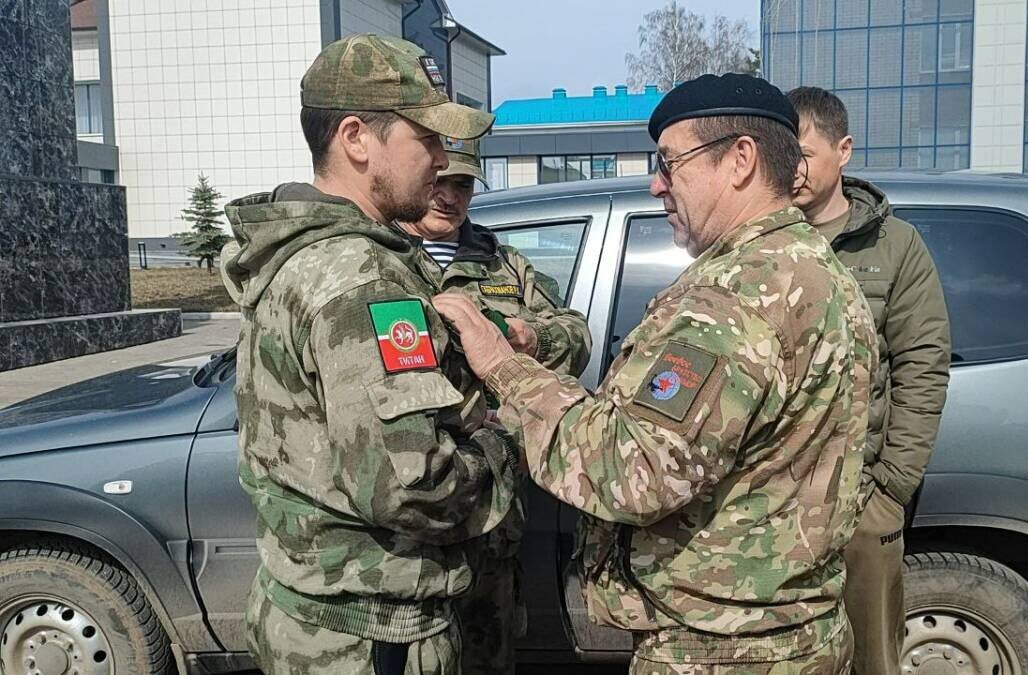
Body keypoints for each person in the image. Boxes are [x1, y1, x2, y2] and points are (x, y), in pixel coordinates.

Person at [433, 73, 878, 674]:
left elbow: (630, 471)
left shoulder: (736, 297)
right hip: (799, 631)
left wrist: (504, 368)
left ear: (740, 160)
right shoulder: (820, 272)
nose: (656, 183)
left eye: (670, 163)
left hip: (721, 649)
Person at [219, 34, 517, 675]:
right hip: (373, 635)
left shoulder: (295, 252)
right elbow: (412, 486)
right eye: (428, 138)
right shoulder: (361, 280)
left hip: (310, 613)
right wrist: (504, 443)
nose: (443, 160)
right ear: (356, 138)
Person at [400, 136, 592, 673]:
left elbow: (576, 332)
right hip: (413, 513)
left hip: (492, 508)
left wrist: (532, 338)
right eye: (439, 182)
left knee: (490, 652)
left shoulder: (503, 263)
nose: (446, 197)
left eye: (461, 185)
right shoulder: (386, 263)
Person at [787, 86, 952, 675]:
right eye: (784, 153)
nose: (794, 168)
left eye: (804, 152)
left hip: (862, 500)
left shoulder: (895, 246)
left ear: (844, 150)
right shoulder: (766, 242)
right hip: (772, 504)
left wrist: (891, 491)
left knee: (871, 658)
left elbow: (923, 364)